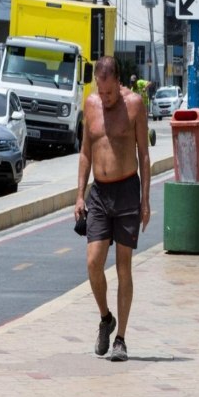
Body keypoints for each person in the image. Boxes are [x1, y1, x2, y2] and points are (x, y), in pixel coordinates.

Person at [74, 56, 151, 362]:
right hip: (99, 194)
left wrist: (146, 200)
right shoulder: (90, 105)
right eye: (100, 92)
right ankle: (106, 319)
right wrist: (80, 195)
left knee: (123, 266)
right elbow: (84, 153)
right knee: (93, 262)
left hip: (127, 190)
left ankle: (120, 339)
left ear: (119, 84)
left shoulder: (134, 105)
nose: (104, 99)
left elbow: (144, 155)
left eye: (109, 93)